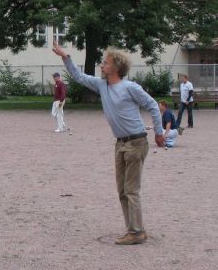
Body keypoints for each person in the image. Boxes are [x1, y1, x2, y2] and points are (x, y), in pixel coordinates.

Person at [52, 41, 164, 245]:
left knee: (131, 189)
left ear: (116, 67)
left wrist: (159, 132)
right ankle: (134, 229)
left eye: (105, 62)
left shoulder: (130, 87)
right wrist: (65, 56)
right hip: (120, 143)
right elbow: (78, 76)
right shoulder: (101, 85)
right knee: (122, 190)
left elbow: (153, 106)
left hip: (136, 142)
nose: (102, 65)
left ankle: (137, 231)